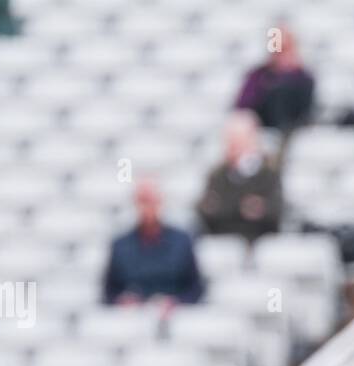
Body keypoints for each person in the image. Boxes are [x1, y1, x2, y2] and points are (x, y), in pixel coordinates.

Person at [103, 180, 205, 306]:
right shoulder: (120, 245)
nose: (147, 208)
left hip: (174, 319)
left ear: (160, 202)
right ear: (135, 204)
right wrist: (122, 301)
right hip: (132, 319)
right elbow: (109, 292)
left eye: (151, 201)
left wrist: (176, 302)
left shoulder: (182, 241)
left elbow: (196, 289)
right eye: (142, 201)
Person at [195, 111, 284, 242]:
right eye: (229, 139)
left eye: (237, 140)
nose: (232, 145)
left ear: (252, 139)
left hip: (258, 240)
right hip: (222, 240)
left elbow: (273, 212)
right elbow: (207, 210)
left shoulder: (268, 174)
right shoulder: (218, 174)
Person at [234, 26, 315, 135]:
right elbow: (243, 107)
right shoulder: (258, 75)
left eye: (285, 49)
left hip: (293, 131)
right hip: (261, 130)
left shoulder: (304, 78)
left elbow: (306, 113)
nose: (281, 55)